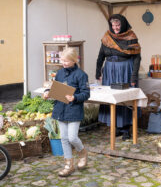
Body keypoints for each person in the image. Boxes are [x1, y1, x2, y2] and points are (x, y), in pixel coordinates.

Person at [43, 48, 90, 177]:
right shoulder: (59, 73)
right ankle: (68, 165)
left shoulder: (81, 75)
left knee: (72, 137)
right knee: (63, 138)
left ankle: (82, 153)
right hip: (60, 109)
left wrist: (75, 97)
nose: (63, 63)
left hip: (74, 110)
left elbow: (86, 93)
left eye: (66, 61)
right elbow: (54, 87)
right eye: (62, 60)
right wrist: (47, 92)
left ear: (74, 60)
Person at [95, 14, 141, 139]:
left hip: (125, 69)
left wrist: (134, 76)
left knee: (125, 98)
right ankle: (115, 127)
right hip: (110, 70)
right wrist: (98, 71)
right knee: (111, 98)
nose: (115, 28)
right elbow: (101, 56)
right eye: (113, 25)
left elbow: (137, 58)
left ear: (123, 24)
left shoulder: (131, 36)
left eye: (118, 25)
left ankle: (126, 129)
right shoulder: (107, 37)